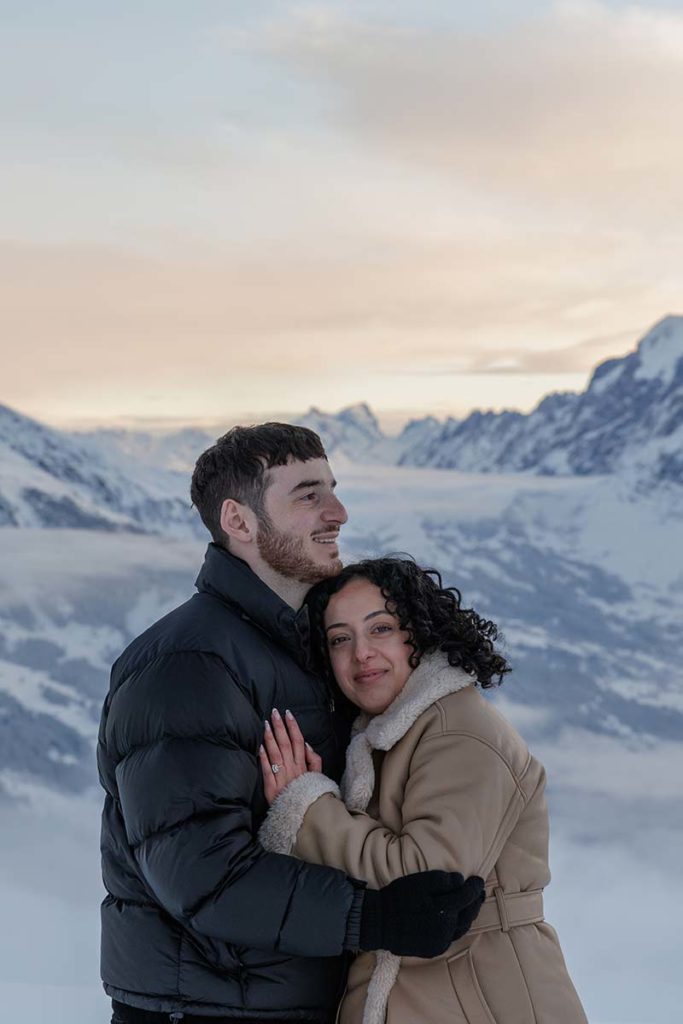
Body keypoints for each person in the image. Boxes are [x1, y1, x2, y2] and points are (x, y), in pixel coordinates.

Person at [97, 424, 485, 1024]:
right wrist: (372, 916)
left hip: (285, 1000)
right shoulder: (189, 665)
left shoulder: (303, 648)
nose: (338, 512)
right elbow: (200, 872)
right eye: (308, 495)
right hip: (208, 1010)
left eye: (332, 489)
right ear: (239, 520)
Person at [258, 556, 589, 1024]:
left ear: (421, 631)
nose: (361, 653)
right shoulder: (388, 736)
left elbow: (425, 879)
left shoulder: (459, 731)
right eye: (340, 639)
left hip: (485, 998)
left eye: (381, 629)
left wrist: (306, 809)